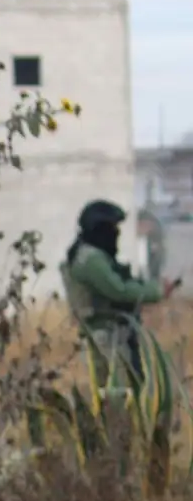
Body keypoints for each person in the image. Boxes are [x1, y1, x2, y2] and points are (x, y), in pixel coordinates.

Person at [59, 199, 180, 485]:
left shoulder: (89, 255)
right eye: (112, 228)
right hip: (106, 340)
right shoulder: (91, 260)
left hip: (112, 335)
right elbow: (119, 290)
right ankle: (117, 469)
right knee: (118, 401)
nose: (116, 235)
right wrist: (155, 291)